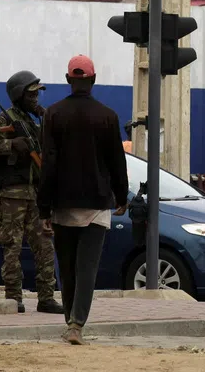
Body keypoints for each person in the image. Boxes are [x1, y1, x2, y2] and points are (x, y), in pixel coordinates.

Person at [37, 55, 129, 345]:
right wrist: (122, 195)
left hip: (62, 203)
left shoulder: (52, 114)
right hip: (97, 203)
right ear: (93, 80)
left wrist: (44, 208)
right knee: (87, 267)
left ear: (68, 80)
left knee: (66, 267)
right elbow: (117, 161)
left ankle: (69, 321)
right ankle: (76, 324)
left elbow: (48, 164)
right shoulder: (108, 116)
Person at [0, 70, 62, 315]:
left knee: (45, 248)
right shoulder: (5, 120)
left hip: (36, 196)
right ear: (19, 95)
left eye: (37, 94)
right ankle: (14, 299)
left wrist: (48, 123)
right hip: (11, 197)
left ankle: (46, 298)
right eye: (31, 94)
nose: (36, 99)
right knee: (11, 249)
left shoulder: (36, 122)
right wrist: (10, 144)